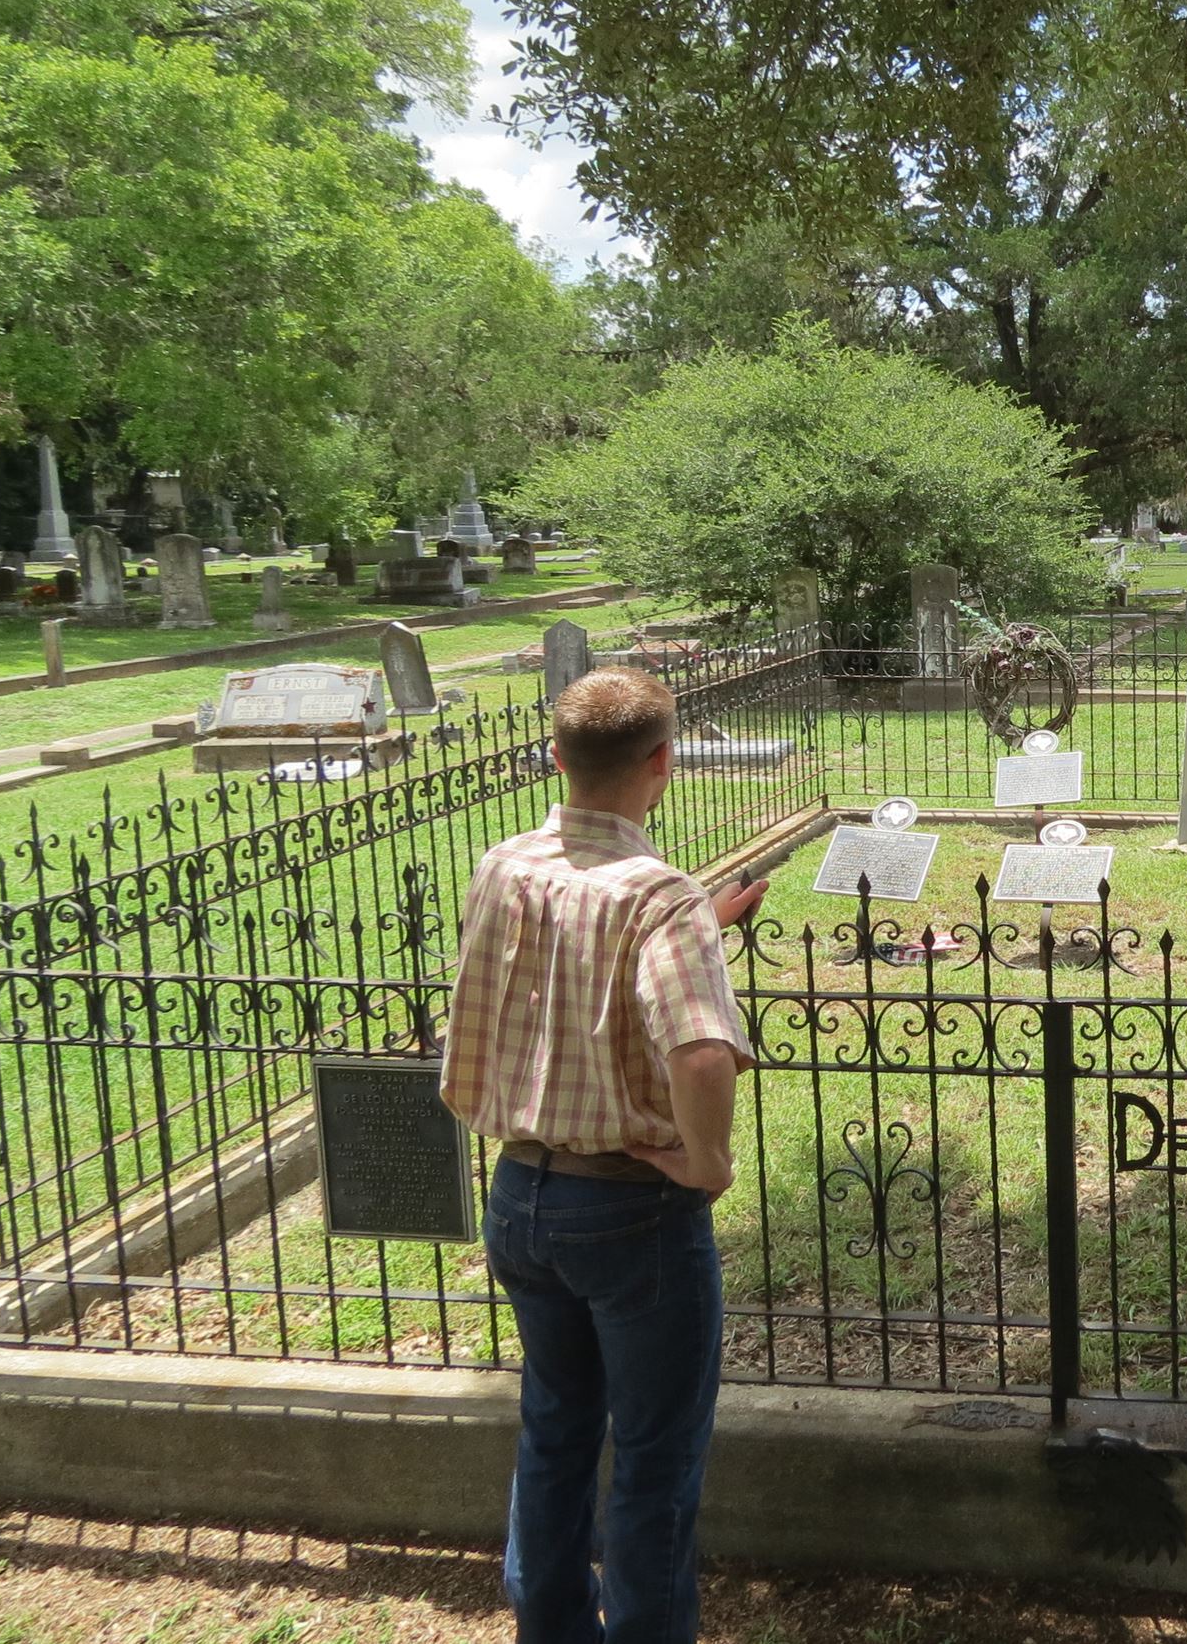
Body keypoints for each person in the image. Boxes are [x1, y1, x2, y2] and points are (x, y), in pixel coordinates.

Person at [441, 667, 767, 1644]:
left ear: (555, 758)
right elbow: (702, 1051)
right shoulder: (658, 898)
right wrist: (708, 1164)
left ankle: (548, 1628)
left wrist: (699, 925)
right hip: (632, 1212)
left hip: (521, 1198)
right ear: (662, 765)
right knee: (656, 1463)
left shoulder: (504, 866)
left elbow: (560, 964)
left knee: (555, 1429)